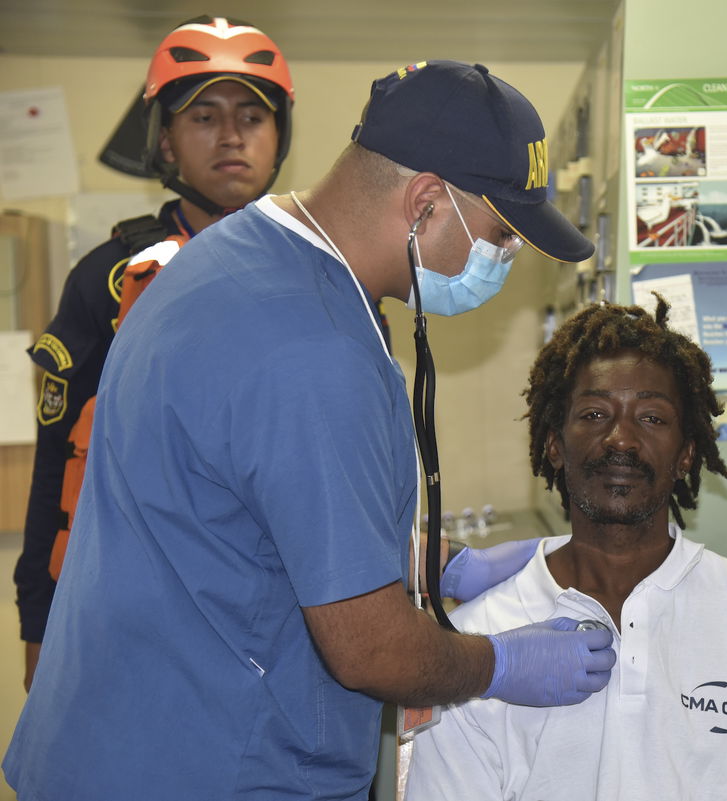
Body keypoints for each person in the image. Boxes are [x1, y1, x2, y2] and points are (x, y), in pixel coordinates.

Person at [3, 60, 616, 800]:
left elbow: (244, 505)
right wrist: (501, 664)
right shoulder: (314, 349)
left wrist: (440, 563)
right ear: (425, 203)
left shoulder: (233, 258)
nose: (506, 259)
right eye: (500, 234)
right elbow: (371, 648)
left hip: (110, 746)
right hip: (208, 767)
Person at [406, 296, 727, 801]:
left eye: (651, 418)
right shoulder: (477, 646)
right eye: (596, 413)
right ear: (554, 443)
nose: (620, 438)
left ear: (687, 453)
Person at [14, 14, 296, 691]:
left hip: (278, 621)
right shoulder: (109, 279)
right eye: (204, 116)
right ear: (165, 142)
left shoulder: (322, 274)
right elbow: (57, 465)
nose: (232, 135)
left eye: (252, 116)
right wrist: (38, 625)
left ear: (279, 135)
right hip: (126, 621)